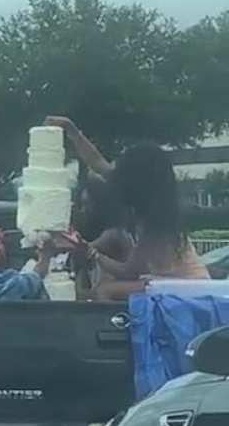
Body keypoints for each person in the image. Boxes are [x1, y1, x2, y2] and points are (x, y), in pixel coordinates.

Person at [46, 117, 209, 299]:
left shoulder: (156, 228)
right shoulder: (157, 214)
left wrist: (92, 253)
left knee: (106, 290)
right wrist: (73, 132)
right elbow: (98, 163)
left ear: (134, 181)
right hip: (178, 282)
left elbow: (128, 272)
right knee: (109, 287)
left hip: (188, 287)